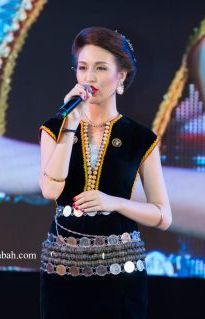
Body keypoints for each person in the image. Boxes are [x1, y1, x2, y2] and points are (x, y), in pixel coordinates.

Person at [38, 27, 172, 319]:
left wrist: (115, 202)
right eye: (83, 68)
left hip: (120, 273)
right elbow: (50, 190)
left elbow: (163, 216)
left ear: (121, 76)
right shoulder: (55, 128)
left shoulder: (141, 137)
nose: (90, 77)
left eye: (101, 68)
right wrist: (69, 124)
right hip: (63, 269)